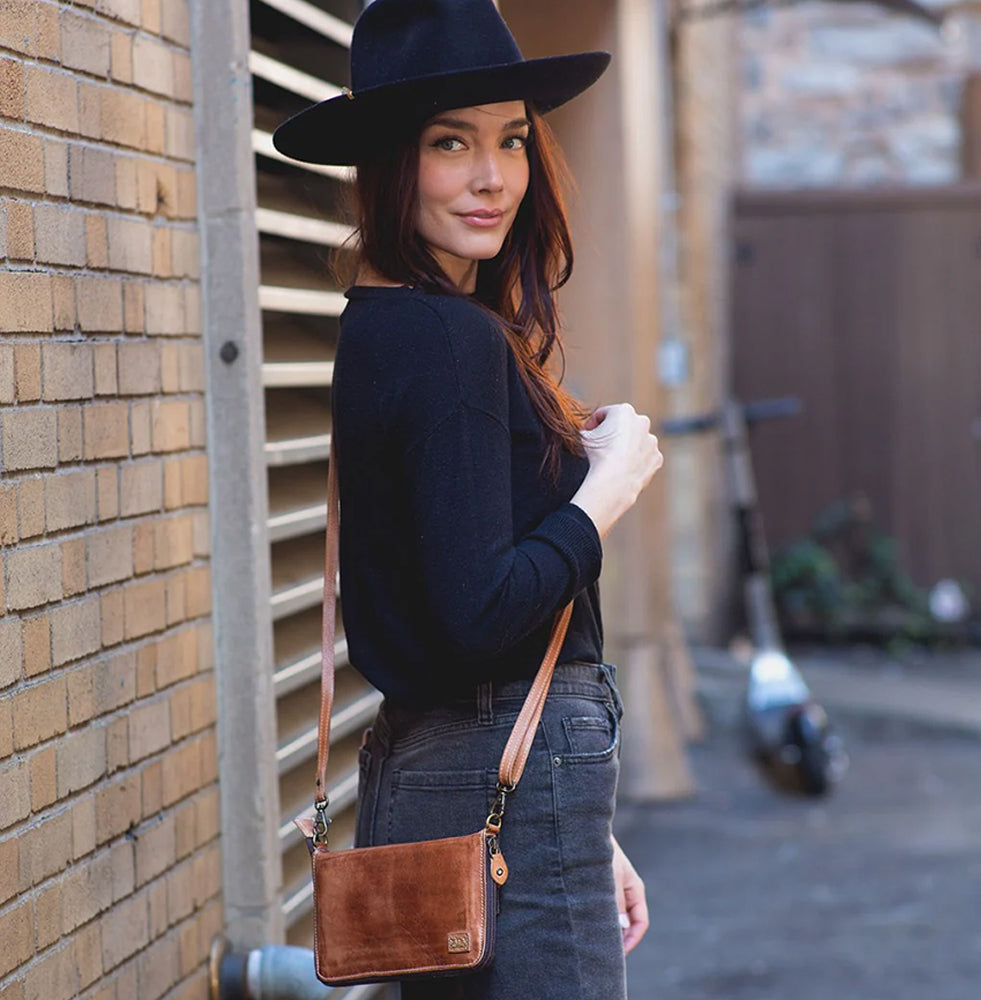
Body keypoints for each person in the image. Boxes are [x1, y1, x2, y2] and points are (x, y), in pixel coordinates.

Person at [274, 1, 662, 996]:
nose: (492, 177)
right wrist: (608, 486)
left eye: (511, 141)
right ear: (391, 162)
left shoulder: (385, 324)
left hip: (454, 768)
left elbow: (441, 596)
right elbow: (477, 610)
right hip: (501, 771)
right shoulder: (449, 340)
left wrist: (579, 829)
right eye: (451, 143)